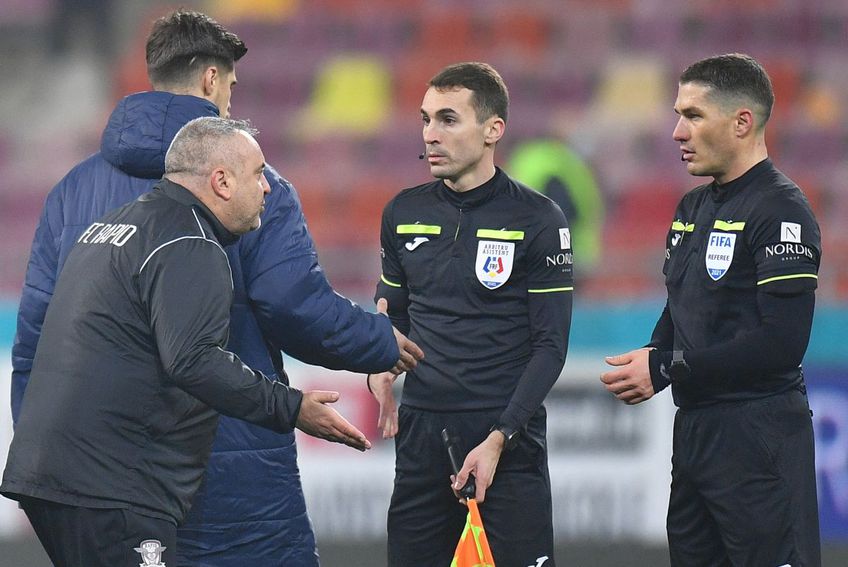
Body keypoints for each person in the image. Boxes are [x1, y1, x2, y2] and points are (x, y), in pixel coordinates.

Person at [10, 9, 423, 566]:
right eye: (230, 83)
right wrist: (378, 342)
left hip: (100, 474)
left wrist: (57, 454)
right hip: (231, 456)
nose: (232, 95)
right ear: (211, 79)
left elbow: (36, 334)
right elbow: (292, 305)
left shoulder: (72, 190)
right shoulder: (252, 184)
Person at [2, 117, 372, 566]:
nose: (268, 188)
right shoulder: (189, 241)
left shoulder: (113, 227)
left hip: (56, 478)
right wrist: (291, 407)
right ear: (221, 181)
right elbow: (194, 360)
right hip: (115, 488)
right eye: (258, 174)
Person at [600, 53, 821, 566]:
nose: (677, 131)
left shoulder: (781, 210)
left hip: (759, 438)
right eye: (679, 114)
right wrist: (654, 356)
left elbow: (782, 344)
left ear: (742, 122)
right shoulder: (692, 209)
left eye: (694, 115)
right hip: (695, 436)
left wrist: (667, 367)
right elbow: (681, 309)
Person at [370, 62, 573, 566]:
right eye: (425, 120)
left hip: (505, 438)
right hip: (422, 435)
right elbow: (392, 314)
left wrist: (501, 436)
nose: (430, 135)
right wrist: (377, 358)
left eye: (447, 119)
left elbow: (550, 347)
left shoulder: (538, 219)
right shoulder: (402, 212)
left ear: (492, 130)